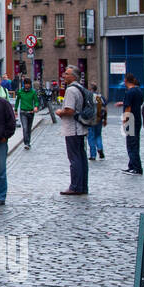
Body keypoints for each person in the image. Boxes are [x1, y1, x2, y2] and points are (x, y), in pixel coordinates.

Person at [56, 67, 89, 196]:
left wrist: (60, 112)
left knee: (74, 158)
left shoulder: (70, 90)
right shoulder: (81, 88)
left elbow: (69, 110)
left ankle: (75, 186)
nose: (64, 76)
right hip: (80, 128)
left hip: (72, 129)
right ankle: (83, 185)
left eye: (67, 74)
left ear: (73, 76)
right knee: (81, 157)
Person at [122, 74, 144, 174]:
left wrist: (124, 120)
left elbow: (128, 107)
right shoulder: (139, 90)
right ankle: (132, 165)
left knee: (131, 144)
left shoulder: (129, 92)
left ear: (126, 80)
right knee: (135, 143)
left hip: (130, 120)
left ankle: (136, 167)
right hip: (137, 119)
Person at [17, 78, 39, 149]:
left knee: (29, 128)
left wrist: (36, 106)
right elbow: (17, 101)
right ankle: (26, 143)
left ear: (30, 85)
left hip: (30, 112)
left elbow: (36, 101)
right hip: (23, 112)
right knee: (25, 128)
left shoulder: (33, 92)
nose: (27, 85)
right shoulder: (20, 92)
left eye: (28, 84)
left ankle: (28, 142)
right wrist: (15, 110)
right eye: (25, 84)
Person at [87, 84, 106, 161]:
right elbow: (105, 108)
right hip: (99, 118)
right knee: (98, 135)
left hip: (91, 119)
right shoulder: (100, 97)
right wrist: (105, 119)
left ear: (90, 89)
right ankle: (100, 148)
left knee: (91, 136)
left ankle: (93, 155)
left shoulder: (88, 97)